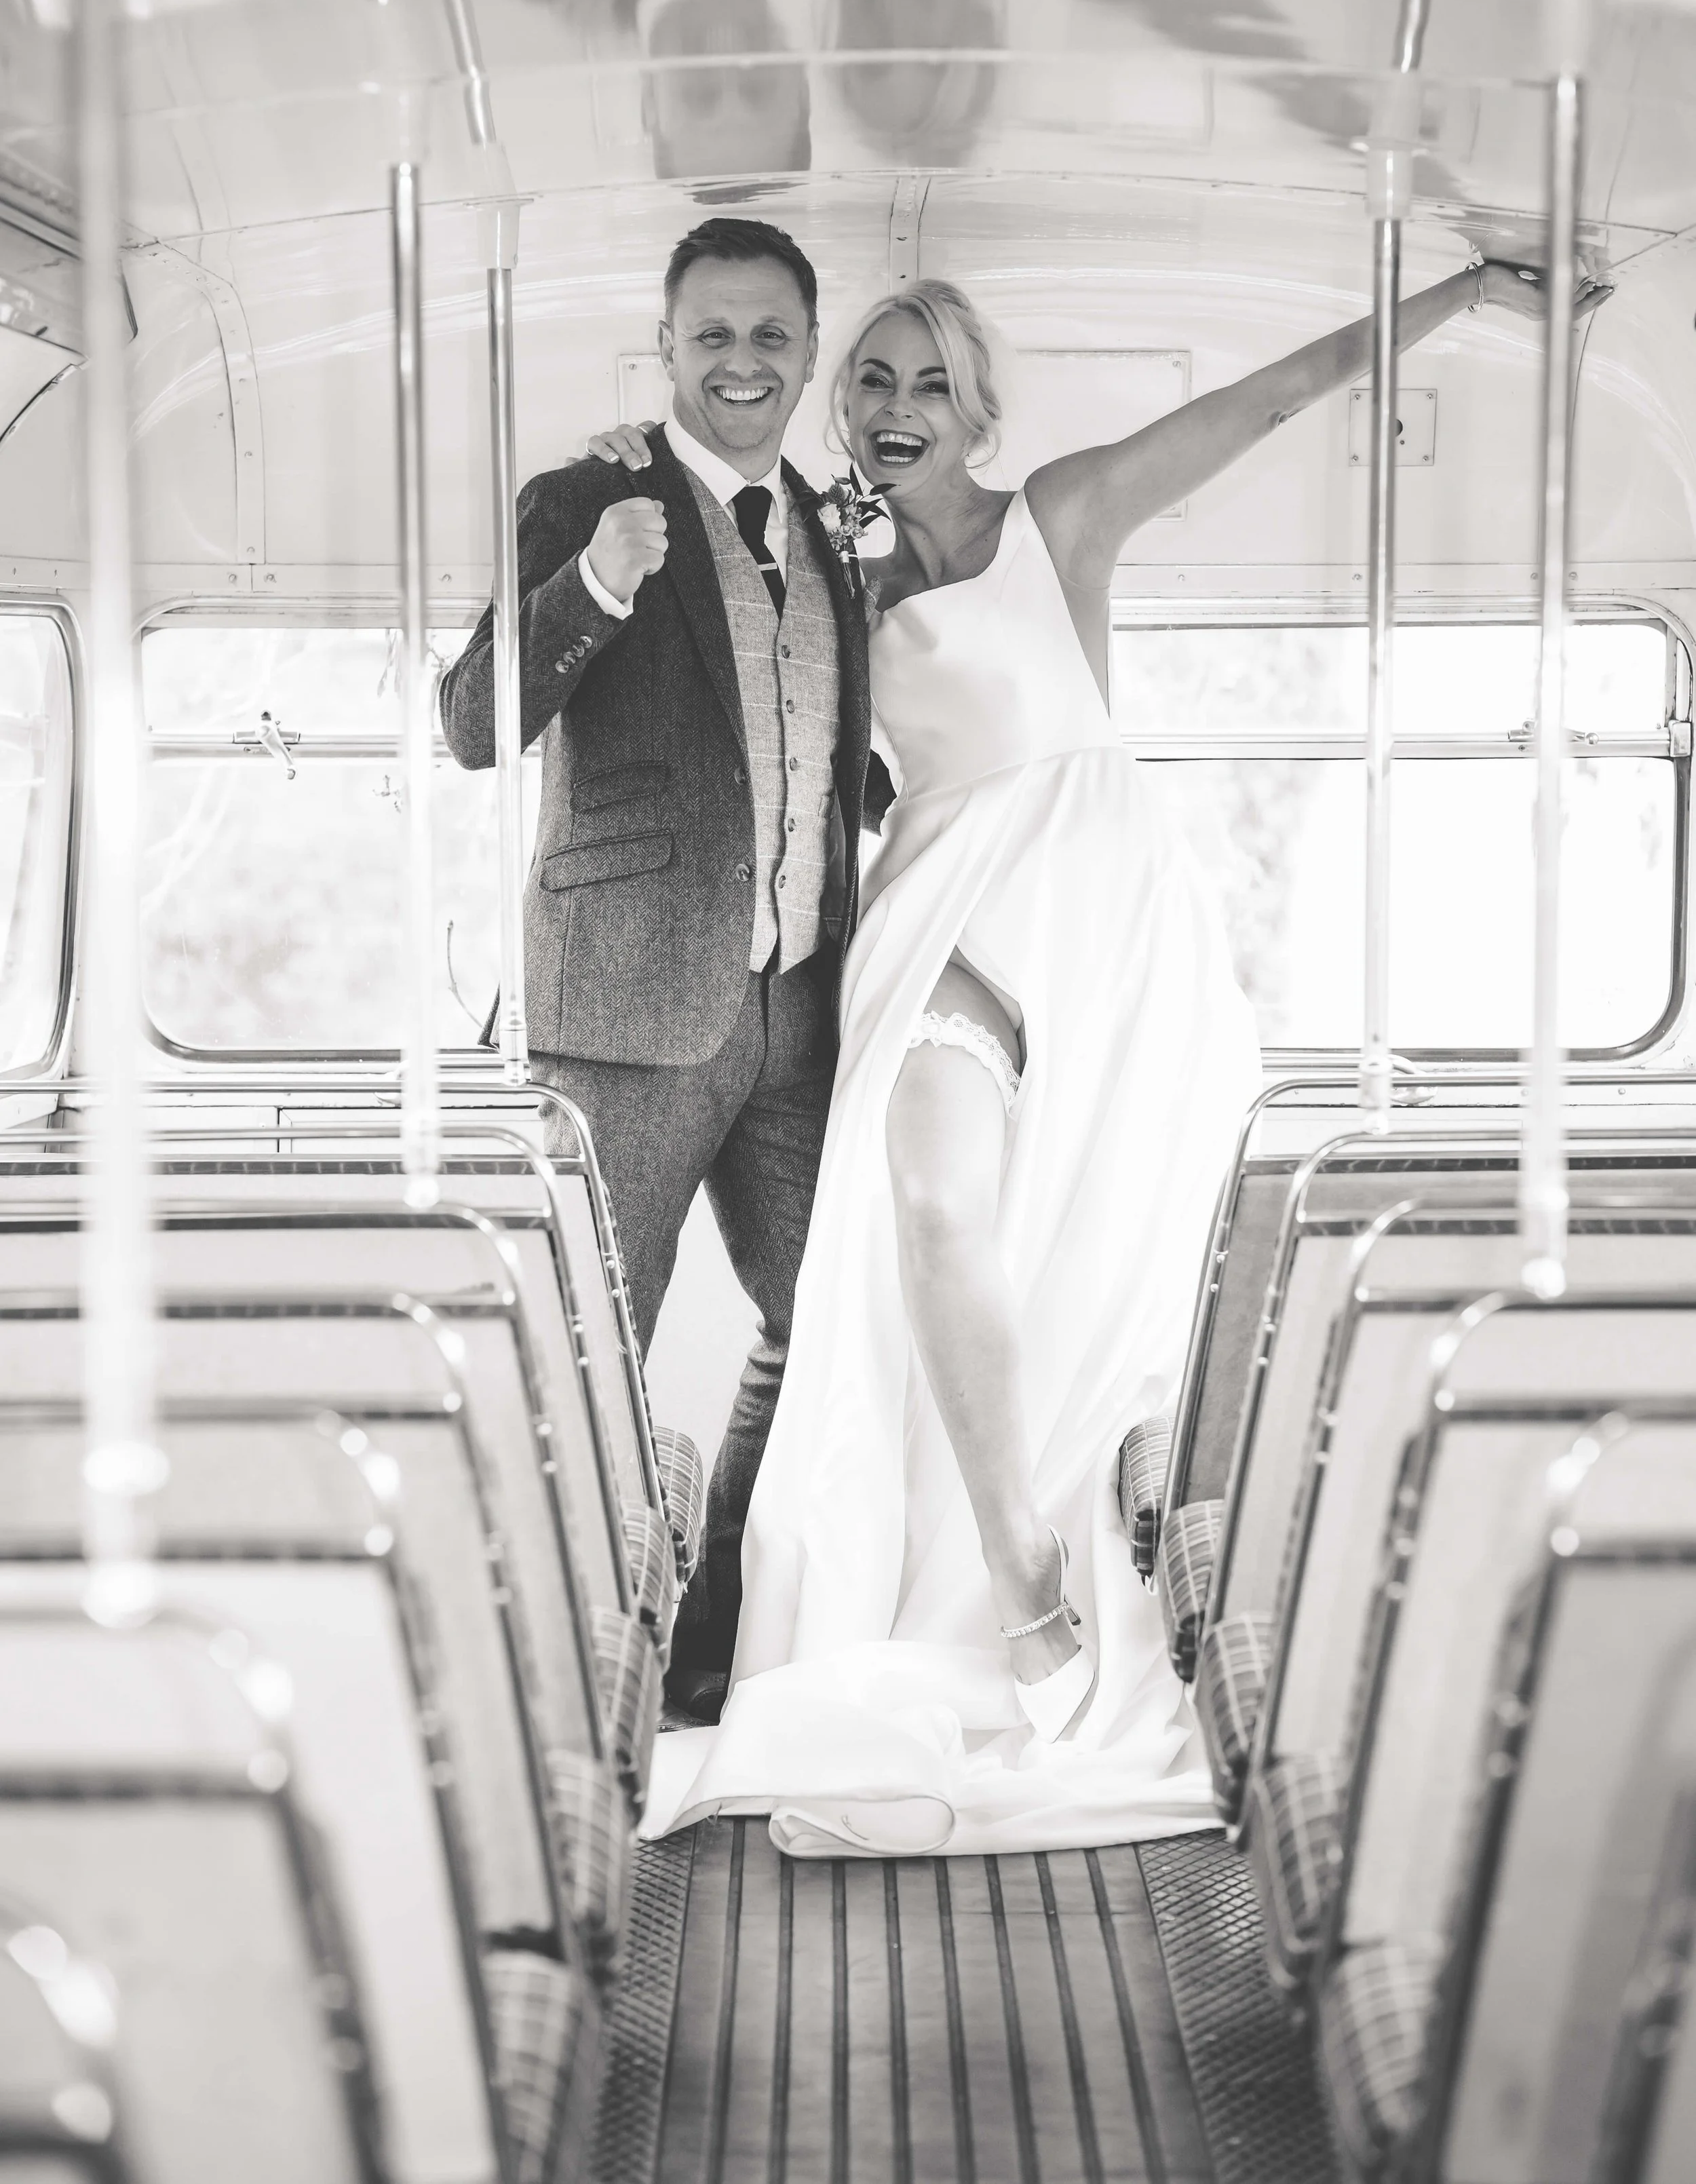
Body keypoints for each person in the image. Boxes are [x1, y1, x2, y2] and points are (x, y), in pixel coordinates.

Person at [589, 254, 1581, 1854]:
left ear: (975, 412)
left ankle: (1081, 1560)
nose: (894, 409)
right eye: (872, 382)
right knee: (927, 1211)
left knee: (1090, 1260)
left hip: (1097, 904)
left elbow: (1270, 399)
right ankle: (1013, 1556)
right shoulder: (834, 582)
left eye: (927, 385)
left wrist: (1457, 290)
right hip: (938, 910)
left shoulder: (1058, 516)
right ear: (839, 410)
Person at [439, 216, 875, 1719]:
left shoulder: (826, 526)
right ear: (668, 346)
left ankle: (704, 1636)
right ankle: (555, 1676)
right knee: (585, 1346)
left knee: (829, 1312)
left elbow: (813, 761)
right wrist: (596, 589)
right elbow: (473, 723)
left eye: (769, 338)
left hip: (800, 1009)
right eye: (711, 337)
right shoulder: (588, 494)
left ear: (806, 354)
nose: (740, 364)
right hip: (617, 1014)